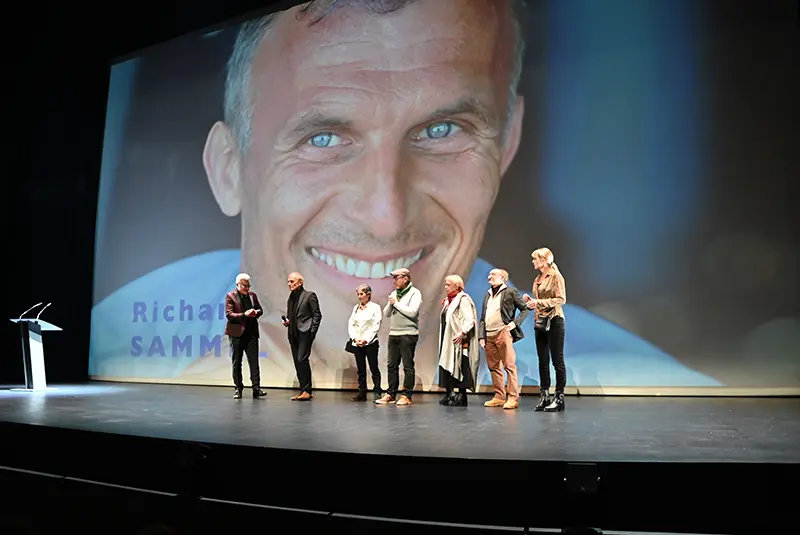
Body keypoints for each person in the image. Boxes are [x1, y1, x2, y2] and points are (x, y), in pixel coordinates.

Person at [90, 0, 723, 391]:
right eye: (324, 137)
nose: (386, 215)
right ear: (228, 170)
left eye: (442, 131)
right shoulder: (116, 338)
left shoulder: (644, 394)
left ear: (507, 144)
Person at [479, 268, 529, 410]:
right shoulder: (487, 295)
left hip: (503, 333)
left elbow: (524, 309)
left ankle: (512, 398)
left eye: (493, 274)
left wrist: (514, 324)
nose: (489, 276)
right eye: (489, 274)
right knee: (493, 367)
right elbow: (483, 317)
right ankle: (499, 396)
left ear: (502, 278)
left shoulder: (510, 292)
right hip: (489, 335)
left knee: (509, 366)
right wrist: (481, 336)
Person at [524, 248, 566, 412]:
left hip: (554, 320)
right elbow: (539, 300)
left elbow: (561, 299)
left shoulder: (555, 276)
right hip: (540, 321)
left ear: (543, 260)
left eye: (535, 259)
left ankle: (559, 397)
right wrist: (531, 301)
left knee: (557, 360)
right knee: (542, 361)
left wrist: (539, 303)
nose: (533, 262)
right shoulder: (537, 279)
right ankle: (545, 395)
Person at [376, 268, 422, 406]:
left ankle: (406, 395)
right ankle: (391, 394)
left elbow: (413, 312)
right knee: (391, 365)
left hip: (408, 334)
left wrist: (396, 303)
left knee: (407, 365)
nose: (394, 280)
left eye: (396, 277)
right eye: (394, 278)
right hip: (394, 334)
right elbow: (386, 314)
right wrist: (391, 303)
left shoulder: (415, 293)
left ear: (405, 278)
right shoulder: (395, 293)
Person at [437, 275, 480, 406]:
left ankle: (462, 395)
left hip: (457, 338)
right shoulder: (449, 301)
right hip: (447, 337)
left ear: (457, 286)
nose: (446, 287)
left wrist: (462, 332)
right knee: (445, 363)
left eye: (448, 285)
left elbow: (470, 319)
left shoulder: (463, 299)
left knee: (460, 365)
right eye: (445, 284)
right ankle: (449, 393)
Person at [225, 273, 267, 399]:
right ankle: (238, 388)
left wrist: (256, 312)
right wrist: (245, 315)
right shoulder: (230, 296)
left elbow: (260, 309)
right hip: (236, 334)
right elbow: (229, 315)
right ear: (237, 285)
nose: (247, 288)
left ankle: (256, 388)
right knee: (237, 362)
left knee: (254, 362)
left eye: (248, 286)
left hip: (252, 333)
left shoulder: (252, 296)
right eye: (244, 286)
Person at [282, 272, 322, 400]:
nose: (289, 284)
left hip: (305, 333)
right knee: (297, 362)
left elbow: (317, 315)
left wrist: (312, 332)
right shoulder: (291, 297)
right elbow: (292, 315)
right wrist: (288, 322)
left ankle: (307, 390)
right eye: (288, 281)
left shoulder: (309, 295)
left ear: (300, 282)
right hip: (293, 333)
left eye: (292, 281)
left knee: (301, 359)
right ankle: (303, 390)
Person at [347, 284, 383, 401]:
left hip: (370, 343)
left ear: (368, 294)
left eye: (361, 294)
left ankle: (377, 390)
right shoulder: (356, 308)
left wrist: (366, 339)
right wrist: (354, 338)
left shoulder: (375, 308)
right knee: (361, 369)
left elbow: (375, 325)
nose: (359, 297)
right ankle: (362, 392)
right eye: (358, 294)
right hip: (358, 342)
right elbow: (351, 324)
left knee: (373, 367)